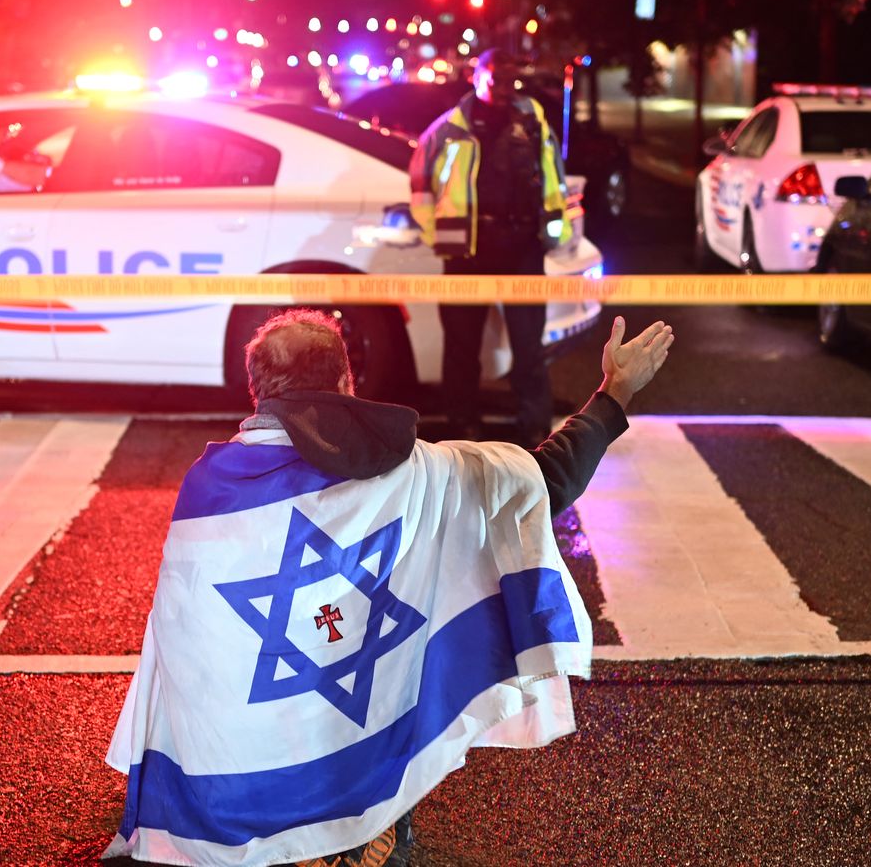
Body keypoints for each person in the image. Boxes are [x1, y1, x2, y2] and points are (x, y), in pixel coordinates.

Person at [106, 308, 674, 866]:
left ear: (255, 395)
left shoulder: (209, 489)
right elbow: (542, 482)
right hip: (358, 737)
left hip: (235, 784)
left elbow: (182, 650)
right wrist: (613, 393)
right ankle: (363, 830)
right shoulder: (415, 473)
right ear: (347, 382)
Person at [410, 48, 576, 444]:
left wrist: (554, 233)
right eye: (495, 78)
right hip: (468, 254)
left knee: (528, 346)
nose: (503, 88)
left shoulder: (533, 123)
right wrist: (440, 236)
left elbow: (554, 179)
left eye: (511, 79)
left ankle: (534, 427)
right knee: (462, 347)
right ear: (476, 76)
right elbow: (420, 188)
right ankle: (461, 424)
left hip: (522, 250)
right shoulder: (448, 130)